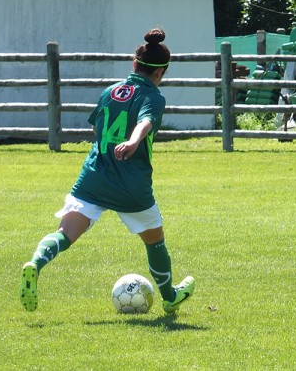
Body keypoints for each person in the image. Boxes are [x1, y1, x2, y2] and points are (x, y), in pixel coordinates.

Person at [19, 28, 195, 314]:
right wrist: (134, 140)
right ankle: (169, 295)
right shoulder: (153, 96)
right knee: (155, 241)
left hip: (95, 176)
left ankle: (35, 264)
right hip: (131, 184)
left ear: (134, 64)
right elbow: (146, 121)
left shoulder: (109, 91)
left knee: (65, 232)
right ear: (161, 71)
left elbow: (95, 128)